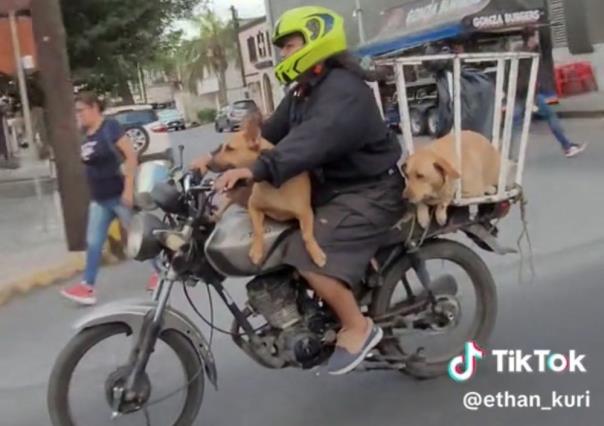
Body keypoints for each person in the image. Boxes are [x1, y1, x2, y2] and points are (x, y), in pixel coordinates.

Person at [194, 6, 406, 375]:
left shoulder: (343, 90)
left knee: (306, 254)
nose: (284, 54)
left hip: (370, 190)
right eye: (283, 48)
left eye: (290, 45)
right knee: (274, 235)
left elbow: (309, 143)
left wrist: (257, 169)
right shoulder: (305, 90)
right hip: (335, 189)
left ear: (315, 40)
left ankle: (358, 326)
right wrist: (214, 161)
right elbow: (271, 133)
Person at [60, 92, 138, 305]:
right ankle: (87, 287)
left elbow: (131, 155)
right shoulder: (87, 135)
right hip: (99, 199)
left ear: (94, 107)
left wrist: (129, 189)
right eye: (76, 111)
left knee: (138, 238)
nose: (79, 115)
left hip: (118, 195)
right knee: (93, 243)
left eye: (81, 110)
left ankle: (162, 272)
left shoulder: (110, 127)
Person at [516, 29, 586, 158]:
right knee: (551, 115)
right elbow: (525, 76)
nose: (538, 38)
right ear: (530, 38)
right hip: (536, 92)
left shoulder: (534, 50)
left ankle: (567, 145)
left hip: (543, 91)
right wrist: (531, 96)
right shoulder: (525, 54)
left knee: (552, 112)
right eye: (535, 35)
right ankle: (567, 147)